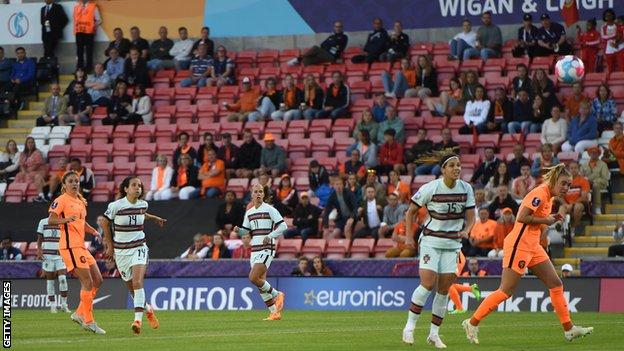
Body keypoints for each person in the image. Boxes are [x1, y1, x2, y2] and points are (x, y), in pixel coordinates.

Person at [464, 164, 594, 344]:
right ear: (555, 181)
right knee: (506, 290)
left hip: (533, 245)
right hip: (520, 244)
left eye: (569, 185)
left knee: (556, 283)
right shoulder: (539, 193)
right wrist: (546, 220)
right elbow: (521, 217)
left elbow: (538, 221)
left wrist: (545, 226)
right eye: (563, 183)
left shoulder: (549, 198)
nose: (566, 188)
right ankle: (472, 322)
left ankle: (569, 329)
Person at [401, 153, 476, 348]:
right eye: (452, 165)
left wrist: (467, 229)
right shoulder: (430, 188)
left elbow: (471, 216)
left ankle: (434, 334)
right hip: (431, 241)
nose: (457, 168)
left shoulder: (466, 188)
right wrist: (409, 237)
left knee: (443, 290)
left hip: (452, 244)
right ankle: (409, 327)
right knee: (427, 283)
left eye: (459, 165)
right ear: (443, 170)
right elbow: (410, 211)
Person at [101, 176, 165, 334]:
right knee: (132, 289)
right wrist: (110, 246)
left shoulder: (143, 204)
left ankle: (137, 321)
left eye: (140, 186)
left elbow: (143, 214)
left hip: (139, 247)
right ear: (126, 189)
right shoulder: (116, 206)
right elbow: (104, 222)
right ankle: (148, 310)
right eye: (134, 185)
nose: (138, 188)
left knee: (137, 282)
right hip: (121, 252)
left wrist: (154, 218)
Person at [48, 171, 104, 334]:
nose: (74, 184)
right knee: (87, 282)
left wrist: (93, 231)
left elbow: (81, 222)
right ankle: (89, 321)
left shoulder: (80, 201)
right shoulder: (60, 201)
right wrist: (65, 220)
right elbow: (51, 220)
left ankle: (79, 313)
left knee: (98, 280)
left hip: (81, 246)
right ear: (64, 185)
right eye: (71, 181)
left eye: (77, 181)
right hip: (69, 246)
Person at [234, 184, 287, 320]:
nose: (258, 194)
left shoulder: (270, 209)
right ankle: (274, 312)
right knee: (260, 282)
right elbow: (246, 231)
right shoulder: (249, 212)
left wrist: (270, 236)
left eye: (260, 192)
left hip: (266, 248)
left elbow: (283, 225)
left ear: (263, 195)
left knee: (252, 277)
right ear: (251, 194)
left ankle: (277, 294)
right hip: (254, 249)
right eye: (255, 192)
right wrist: (238, 230)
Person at [36, 216, 69, 313]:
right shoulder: (43, 221)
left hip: (60, 254)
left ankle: (64, 305)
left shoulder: (63, 221)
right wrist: (39, 250)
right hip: (47, 255)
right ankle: (53, 305)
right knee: (50, 281)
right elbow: (39, 238)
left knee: (63, 279)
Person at [73, 0, 101, 72]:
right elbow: (74, 19)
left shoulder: (93, 6)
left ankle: (88, 68)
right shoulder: (76, 7)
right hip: (79, 32)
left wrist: (93, 26)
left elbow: (99, 20)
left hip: (89, 32)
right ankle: (80, 68)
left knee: (89, 51)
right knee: (79, 51)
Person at [581, 146, 610, 214]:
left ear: (598, 154)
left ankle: (597, 207)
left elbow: (604, 178)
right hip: (586, 184)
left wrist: (593, 181)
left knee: (595, 185)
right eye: (592, 152)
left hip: (600, 183)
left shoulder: (603, 164)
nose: (593, 154)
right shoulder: (584, 165)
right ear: (589, 154)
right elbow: (581, 176)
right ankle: (584, 208)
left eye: (595, 152)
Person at [600, 9, 623, 73]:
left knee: (621, 66)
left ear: (613, 16)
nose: (608, 17)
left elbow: (621, 35)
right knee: (610, 67)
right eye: (606, 15)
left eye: (610, 15)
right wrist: (614, 35)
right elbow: (603, 36)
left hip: (619, 47)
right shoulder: (603, 27)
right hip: (609, 48)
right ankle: (609, 81)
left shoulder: (618, 25)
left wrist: (617, 42)